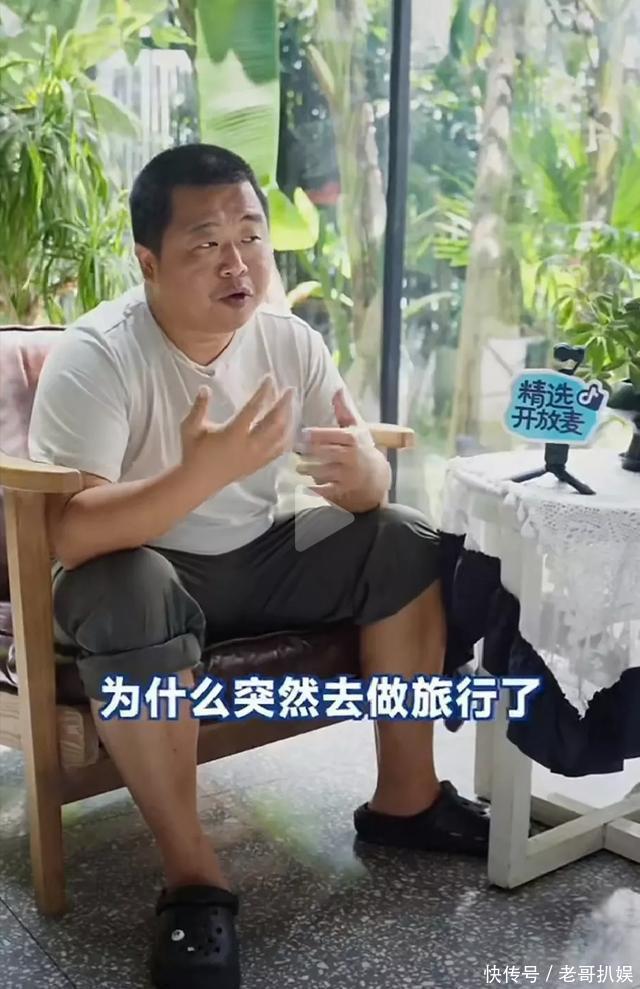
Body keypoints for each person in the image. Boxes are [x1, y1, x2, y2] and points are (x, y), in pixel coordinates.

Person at [29, 144, 489, 989]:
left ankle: (407, 799)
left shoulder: (287, 339)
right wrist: (197, 473)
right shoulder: (98, 356)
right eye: (206, 243)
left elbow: (360, 465)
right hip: (139, 574)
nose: (237, 263)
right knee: (126, 585)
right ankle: (193, 878)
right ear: (147, 261)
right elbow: (71, 534)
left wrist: (368, 474)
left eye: (250, 236)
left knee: (402, 538)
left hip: (257, 560)